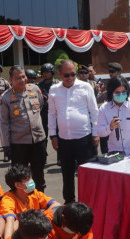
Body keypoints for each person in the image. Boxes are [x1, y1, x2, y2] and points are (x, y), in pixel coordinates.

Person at [48, 59, 99, 203]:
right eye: (66, 75)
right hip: (64, 140)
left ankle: (88, 203)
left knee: (87, 174)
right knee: (67, 174)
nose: (70, 78)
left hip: (84, 138)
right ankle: (69, 204)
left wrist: (95, 133)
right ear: (59, 74)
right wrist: (53, 135)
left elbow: (94, 111)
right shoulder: (54, 90)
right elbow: (51, 114)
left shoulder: (85, 87)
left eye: (73, 74)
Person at [0, 66, 47, 192]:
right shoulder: (6, 97)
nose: (22, 80)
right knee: (21, 176)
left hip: (38, 140)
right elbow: (3, 123)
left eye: (23, 76)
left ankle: (40, 201)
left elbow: (40, 107)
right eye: (18, 78)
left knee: (39, 173)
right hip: (19, 143)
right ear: (11, 79)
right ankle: (23, 204)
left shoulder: (35, 89)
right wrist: (6, 145)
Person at [0, 165, 61, 239]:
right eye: (28, 179)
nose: (31, 181)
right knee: (17, 223)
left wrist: (41, 219)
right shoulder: (7, 199)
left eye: (31, 178)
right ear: (17, 185)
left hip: (35, 233)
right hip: (21, 236)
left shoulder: (34, 193)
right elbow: (10, 221)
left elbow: (56, 205)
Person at [96, 75, 130, 156]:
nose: (121, 95)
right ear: (111, 92)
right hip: (115, 154)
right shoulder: (104, 108)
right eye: (117, 92)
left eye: (123, 92)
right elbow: (99, 132)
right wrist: (110, 127)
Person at [37, 63, 60, 139]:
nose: (45, 74)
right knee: (43, 136)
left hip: (56, 113)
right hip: (43, 113)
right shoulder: (39, 85)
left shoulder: (58, 84)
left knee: (58, 136)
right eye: (44, 72)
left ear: (52, 72)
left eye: (48, 72)